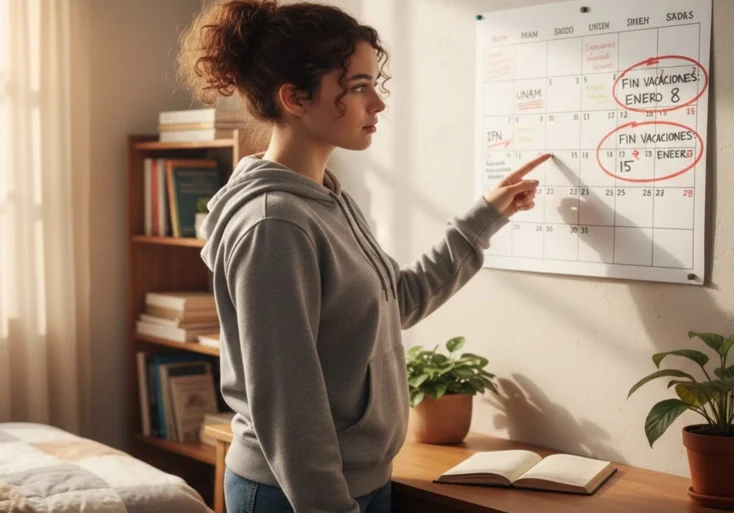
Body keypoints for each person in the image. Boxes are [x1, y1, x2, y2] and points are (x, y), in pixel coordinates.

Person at [178, 1, 550, 511]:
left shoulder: (325, 199)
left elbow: (394, 302)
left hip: (354, 480)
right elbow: (287, 404)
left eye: (376, 85)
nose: (377, 104)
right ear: (294, 98)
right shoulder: (275, 225)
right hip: (298, 495)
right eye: (357, 87)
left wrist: (485, 216)